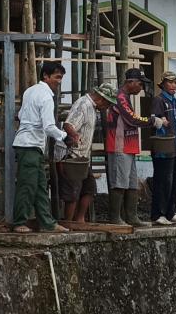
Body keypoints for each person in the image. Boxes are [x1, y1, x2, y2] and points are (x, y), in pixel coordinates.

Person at [12, 60, 73, 234]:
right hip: (31, 144)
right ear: (46, 76)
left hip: (28, 143)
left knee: (39, 186)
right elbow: (48, 126)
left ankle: (47, 223)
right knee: (27, 186)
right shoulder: (46, 97)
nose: (59, 81)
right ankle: (19, 222)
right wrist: (64, 137)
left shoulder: (30, 91)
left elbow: (21, 114)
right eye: (57, 77)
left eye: (61, 78)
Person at [106, 68, 168, 227]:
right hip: (119, 145)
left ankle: (132, 217)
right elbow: (132, 119)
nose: (141, 88)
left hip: (129, 146)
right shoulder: (119, 98)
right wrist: (152, 121)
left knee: (132, 183)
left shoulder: (126, 97)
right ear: (130, 82)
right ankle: (115, 217)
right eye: (140, 84)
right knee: (119, 182)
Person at [54, 83, 117, 224]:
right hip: (71, 156)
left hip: (82, 157)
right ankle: (69, 223)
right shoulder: (83, 104)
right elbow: (68, 125)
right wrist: (75, 135)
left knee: (89, 188)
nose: (107, 108)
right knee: (72, 192)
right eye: (107, 104)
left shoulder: (92, 108)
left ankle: (79, 219)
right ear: (102, 99)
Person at [149, 71, 176, 226]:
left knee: (174, 182)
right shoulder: (159, 100)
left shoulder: (173, 102)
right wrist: (161, 121)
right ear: (163, 84)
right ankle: (158, 213)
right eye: (170, 82)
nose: (174, 85)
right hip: (163, 148)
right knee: (162, 181)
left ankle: (171, 212)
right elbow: (154, 120)